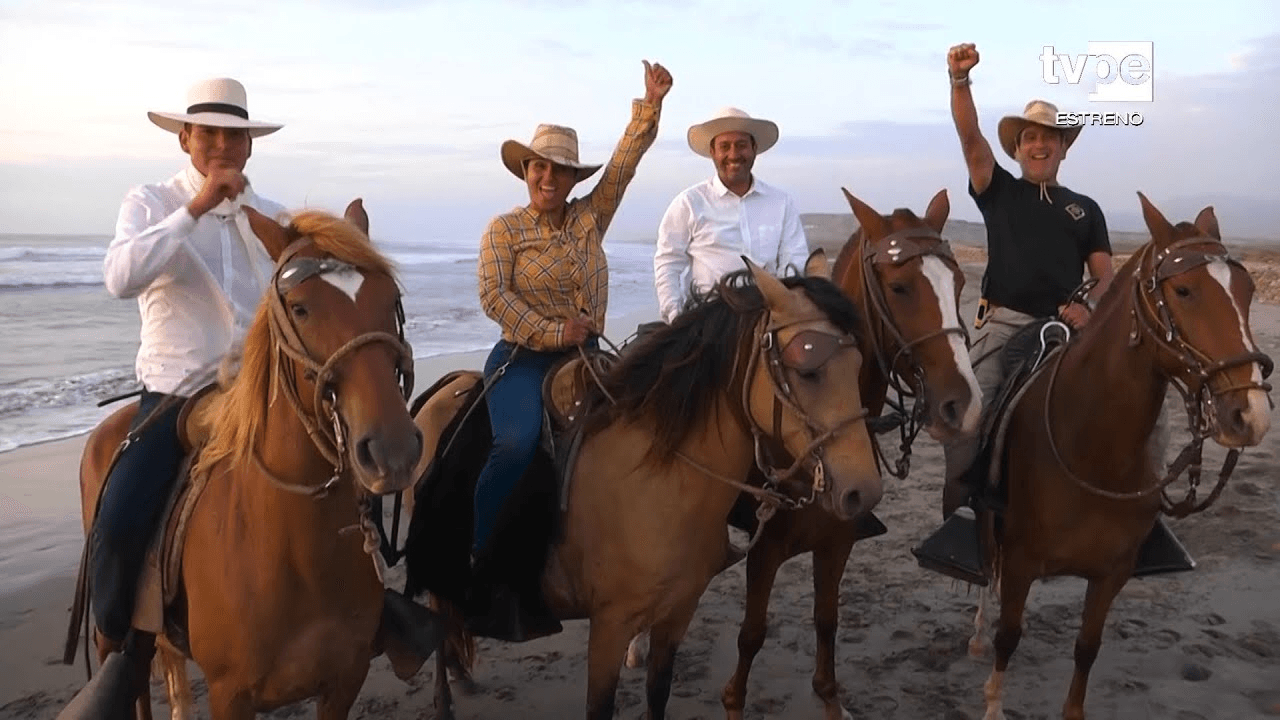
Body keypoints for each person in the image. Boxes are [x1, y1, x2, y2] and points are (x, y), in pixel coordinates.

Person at [917, 43, 1183, 581]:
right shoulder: (999, 190)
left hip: (1071, 327)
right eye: (1030, 138)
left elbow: (1105, 276)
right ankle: (968, 516)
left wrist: (1087, 305)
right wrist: (959, 81)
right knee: (969, 413)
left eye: (1050, 138)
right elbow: (970, 139)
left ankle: (1147, 515)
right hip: (1005, 324)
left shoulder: (1086, 209)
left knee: (1150, 407)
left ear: (1063, 148)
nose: (1040, 145)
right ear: (1018, 149)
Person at [91, 78, 289, 649]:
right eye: (208, 134)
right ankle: (121, 650)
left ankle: (373, 607)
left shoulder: (273, 215)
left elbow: (313, 291)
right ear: (185, 139)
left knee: (353, 476)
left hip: (262, 390)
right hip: (176, 397)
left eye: (235, 136)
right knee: (120, 517)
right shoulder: (151, 201)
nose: (222, 146)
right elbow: (119, 278)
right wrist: (197, 207)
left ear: (249, 146)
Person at [473, 60, 672, 576]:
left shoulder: (589, 217)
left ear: (572, 178)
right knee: (516, 444)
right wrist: (555, 330)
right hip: (521, 358)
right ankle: (481, 553)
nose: (548, 177)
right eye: (539, 167)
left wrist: (650, 106)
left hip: (587, 358)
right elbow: (494, 297)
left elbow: (622, 166)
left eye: (560, 170)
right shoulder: (504, 230)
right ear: (525, 171)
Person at [653, 107, 810, 324]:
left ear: (754, 149)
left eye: (741, 145)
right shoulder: (690, 202)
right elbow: (668, 261)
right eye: (725, 146)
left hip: (767, 315)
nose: (734, 155)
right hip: (708, 316)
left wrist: (786, 308)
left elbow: (794, 260)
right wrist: (675, 316)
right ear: (713, 152)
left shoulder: (781, 202)